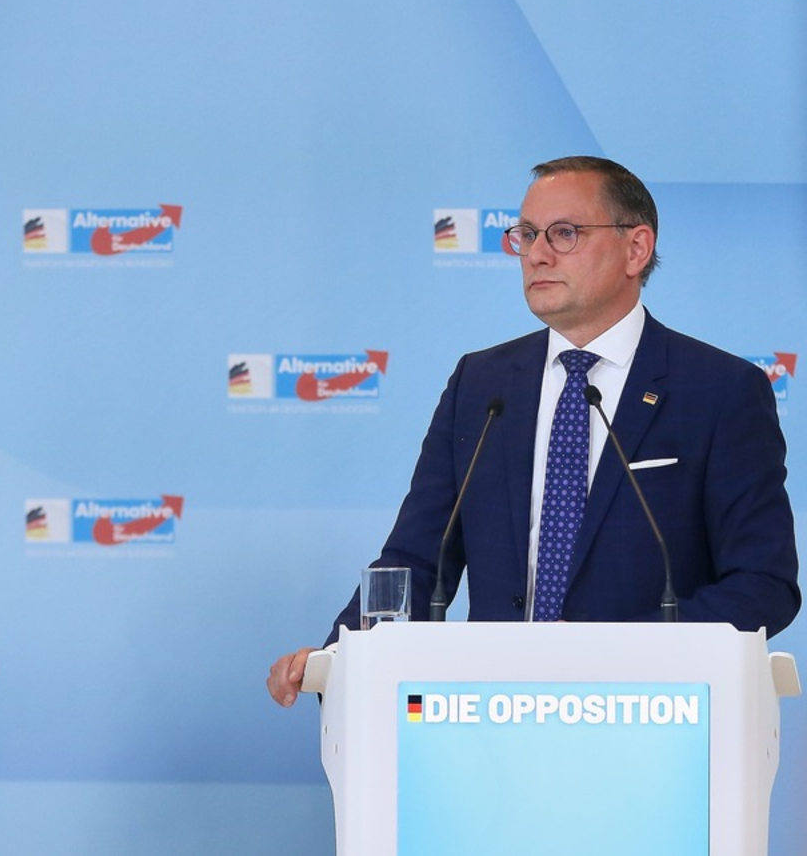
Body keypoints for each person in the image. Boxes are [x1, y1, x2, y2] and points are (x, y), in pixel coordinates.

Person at [268, 155, 800, 708]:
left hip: (651, 714)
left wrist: (613, 653)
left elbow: (763, 585)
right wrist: (340, 657)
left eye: (565, 233)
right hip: (491, 713)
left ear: (636, 248)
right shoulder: (481, 383)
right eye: (526, 235)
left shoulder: (719, 390)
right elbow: (416, 560)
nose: (537, 254)